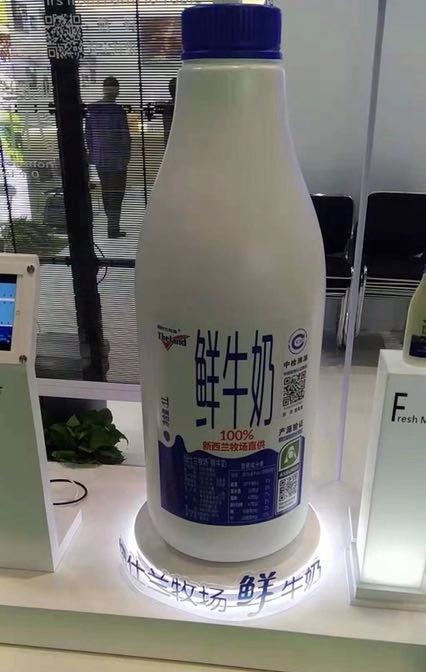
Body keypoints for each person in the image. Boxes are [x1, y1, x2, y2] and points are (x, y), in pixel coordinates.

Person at [85, 76, 131, 238]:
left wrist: (93, 154)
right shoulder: (118, 111)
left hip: (100, 158)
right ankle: (113, 228)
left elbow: (88, 135)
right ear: (117, 91)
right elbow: (124, 137)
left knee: (106, 191)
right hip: (117, 159)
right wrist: (126, 157)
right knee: (116, 193)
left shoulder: (92, 109)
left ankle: (111, 226)